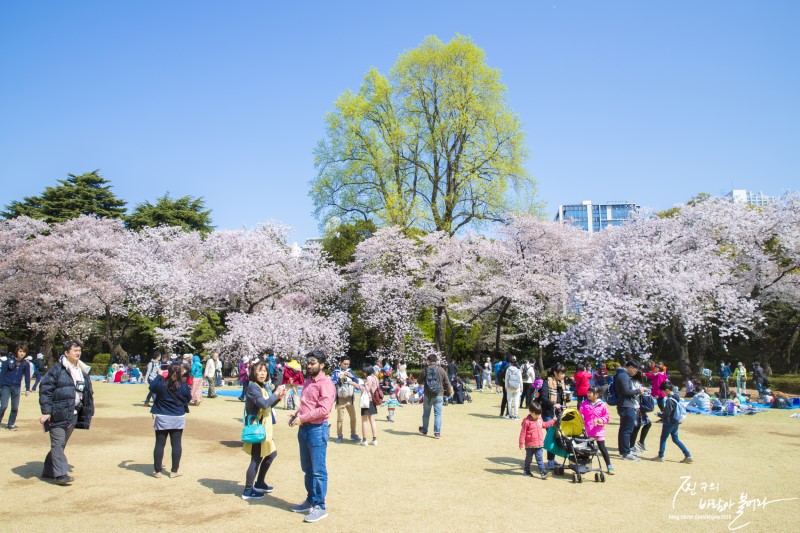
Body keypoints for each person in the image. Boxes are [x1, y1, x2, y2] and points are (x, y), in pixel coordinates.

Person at [288, 350, 336, 523]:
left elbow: (324, 409)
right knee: (307, 469)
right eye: (308, 362)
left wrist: (302, 418)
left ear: (322, 365)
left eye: (313, 363)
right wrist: (296, 414)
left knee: (318, 471)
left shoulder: (326, 383)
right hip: (304, 429)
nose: (309, 365)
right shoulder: (308, 381)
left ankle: (320, 506)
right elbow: (307, 405)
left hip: (317, 430)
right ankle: (310, 500)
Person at [39, 340, 94, 485]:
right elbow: (45, 390)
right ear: (66, 353)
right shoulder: (56, 370)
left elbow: (87, 392)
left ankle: (48, 470)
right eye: (75, 350)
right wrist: (46, 411)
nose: (78, 353)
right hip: (58, 412)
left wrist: (88, 410)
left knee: (61, 444)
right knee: (57, 443)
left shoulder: (82, 373)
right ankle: (61, 474)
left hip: (73, 413)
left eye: (79, 350)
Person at [241, 362, 287, 500]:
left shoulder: (260, 387)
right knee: (256, 458)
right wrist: (276, 393)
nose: (263, 374)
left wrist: (278, 397)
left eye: (265, 371)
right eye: (259, 371)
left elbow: (269, 405)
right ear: (253, 373)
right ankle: (248, 490)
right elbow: (264, 404)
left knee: (271, 454)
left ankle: (260, 482)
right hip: (258, 429)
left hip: (264, 428)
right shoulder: (252, 387)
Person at [149, 362, 191, 478]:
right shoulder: (183, 386)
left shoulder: (162, 384)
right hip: (177, 416)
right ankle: (174, 471)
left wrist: (159, 375)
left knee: (159, 444)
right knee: (176, 444)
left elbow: (151, 387)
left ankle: (157, 471)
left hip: (163, 416)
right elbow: (188, 398)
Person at [653, 382, 693, 463]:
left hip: (669, 422)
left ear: (667, 390)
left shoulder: (669, 400)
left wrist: (660, 415)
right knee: (675, 439)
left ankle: (660, 456)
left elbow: (667, 413)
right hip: (676, 421)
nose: (663, 393)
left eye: (663, 391)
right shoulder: (676, 397)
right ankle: (688, 455)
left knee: (663, 438)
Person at [614, 360, 646, 461]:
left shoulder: (621, 375)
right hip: (627, 405)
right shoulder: (623, 375)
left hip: (624, 405)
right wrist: (638, 391)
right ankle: (626, 453)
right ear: (630, 367)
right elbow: (626, 391)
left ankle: (623, 451)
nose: (635, 372)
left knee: (624, 429)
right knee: (627, 430)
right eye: (635, 370)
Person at [579, 386, 614, 475]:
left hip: (599, 431)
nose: (588, 394)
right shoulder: (584, 404)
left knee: (602, 448)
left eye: (590, 393)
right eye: (588, 392)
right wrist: (581, 419)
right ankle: (584, 466)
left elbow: (607, 417)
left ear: (596, 395)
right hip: (588, 431)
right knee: (586, 449)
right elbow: (580, 414)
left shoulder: (602, 405)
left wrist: (600, 420)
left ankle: (609, 466)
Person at [417, 353, 452, 439]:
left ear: (428, 361)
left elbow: (419, 381)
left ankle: (424, 430)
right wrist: (449, 392)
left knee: (426, 414)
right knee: (438, 414)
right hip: (439, 394)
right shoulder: (441, 370)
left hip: (427, 395)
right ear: (436, 361)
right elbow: (447, 383)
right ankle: (437, 433)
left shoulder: (425, 370)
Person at [539, 364, 568, 469]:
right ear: (555, 373)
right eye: (561, 373)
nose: (563, 375)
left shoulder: (561, 383)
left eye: (564, 373)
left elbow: (561, 398)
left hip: (559, 413)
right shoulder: (547, 382)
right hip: (548, 413)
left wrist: (566, 400)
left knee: (558, 436)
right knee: (552, 435)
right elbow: (543, 398)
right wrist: (553, 404)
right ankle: (550, 460)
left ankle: (552, 459)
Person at [518, 402, 555, 480]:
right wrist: (521, 442)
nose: (538, 416)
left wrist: (552, 421)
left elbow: (544, 425)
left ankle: (543, 472)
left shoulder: (539, 419)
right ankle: (526, 470)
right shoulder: (526, 421)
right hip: (530, 445)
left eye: (539, 414)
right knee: (529, 459)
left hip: (539, 444)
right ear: (531, 412)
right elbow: (523, 432)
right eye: (536, 414)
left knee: (539, 458)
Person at [331, 357, 361, 444]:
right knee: (340, 418)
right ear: (340, 363)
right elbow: (333, 383)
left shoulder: (350, 371)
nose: (346, 365)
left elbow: (357, 382)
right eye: (345, 363)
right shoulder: (336, 372)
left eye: (348, 364)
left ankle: (353, 434)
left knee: (353, 417)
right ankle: (339, 436)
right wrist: (341, 378)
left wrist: (352, 377)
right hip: (340, 399)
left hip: (350, 398)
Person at [1, 344, 32, 430]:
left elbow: (27, 377)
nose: (22, 353)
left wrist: (27, 389)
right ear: (17, 352)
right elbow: (2, 374)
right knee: (3, 406)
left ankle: (10, 424)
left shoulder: (26, 364)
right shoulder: (8, 361)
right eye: (20, 351)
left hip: (17, 387)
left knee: (15, 407)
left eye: (24, 352)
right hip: (6, 386)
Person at [629, 371, 653, 454]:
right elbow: (633, 392)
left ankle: (640, 442)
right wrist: (640, 392)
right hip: (635, 406)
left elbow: (640, 388)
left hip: (639, 407)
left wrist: (645, 389)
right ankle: (631, 446)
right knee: (636, 427)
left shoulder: (637, 382)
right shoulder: (631, 382)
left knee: (647, 424)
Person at [359, 365, 379, 446]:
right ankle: (374, 439)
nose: (363, 373)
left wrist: (355, 384)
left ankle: (364, 440)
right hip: (372, 401)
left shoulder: (369, 378)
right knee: (372, 420)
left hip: (367, 400)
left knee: (364, 421)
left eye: (364, 371)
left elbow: (365, 389)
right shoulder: (375, 377)